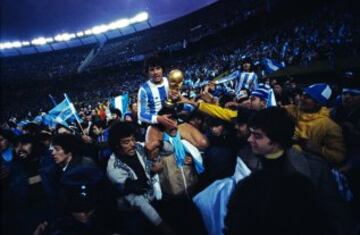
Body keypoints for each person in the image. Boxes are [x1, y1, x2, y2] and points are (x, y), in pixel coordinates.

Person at [106, 121, 174, 235]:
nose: (132, 144)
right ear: (117, 145)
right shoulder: (114, 168)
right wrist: (162, 225)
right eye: (126, 142)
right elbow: (137, 199)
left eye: (133, 139)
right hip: (134, 214)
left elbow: (170, 149)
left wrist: (158, 143)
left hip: (154, 201)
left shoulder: (138, 147)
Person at [286, 83, 346, 165]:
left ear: (318, 103)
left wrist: (316, 149)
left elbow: (339, 156)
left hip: (309, 166)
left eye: (308, 97)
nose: (301, 98)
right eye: (303, 95)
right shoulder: (293, 110)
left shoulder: (329, 126)